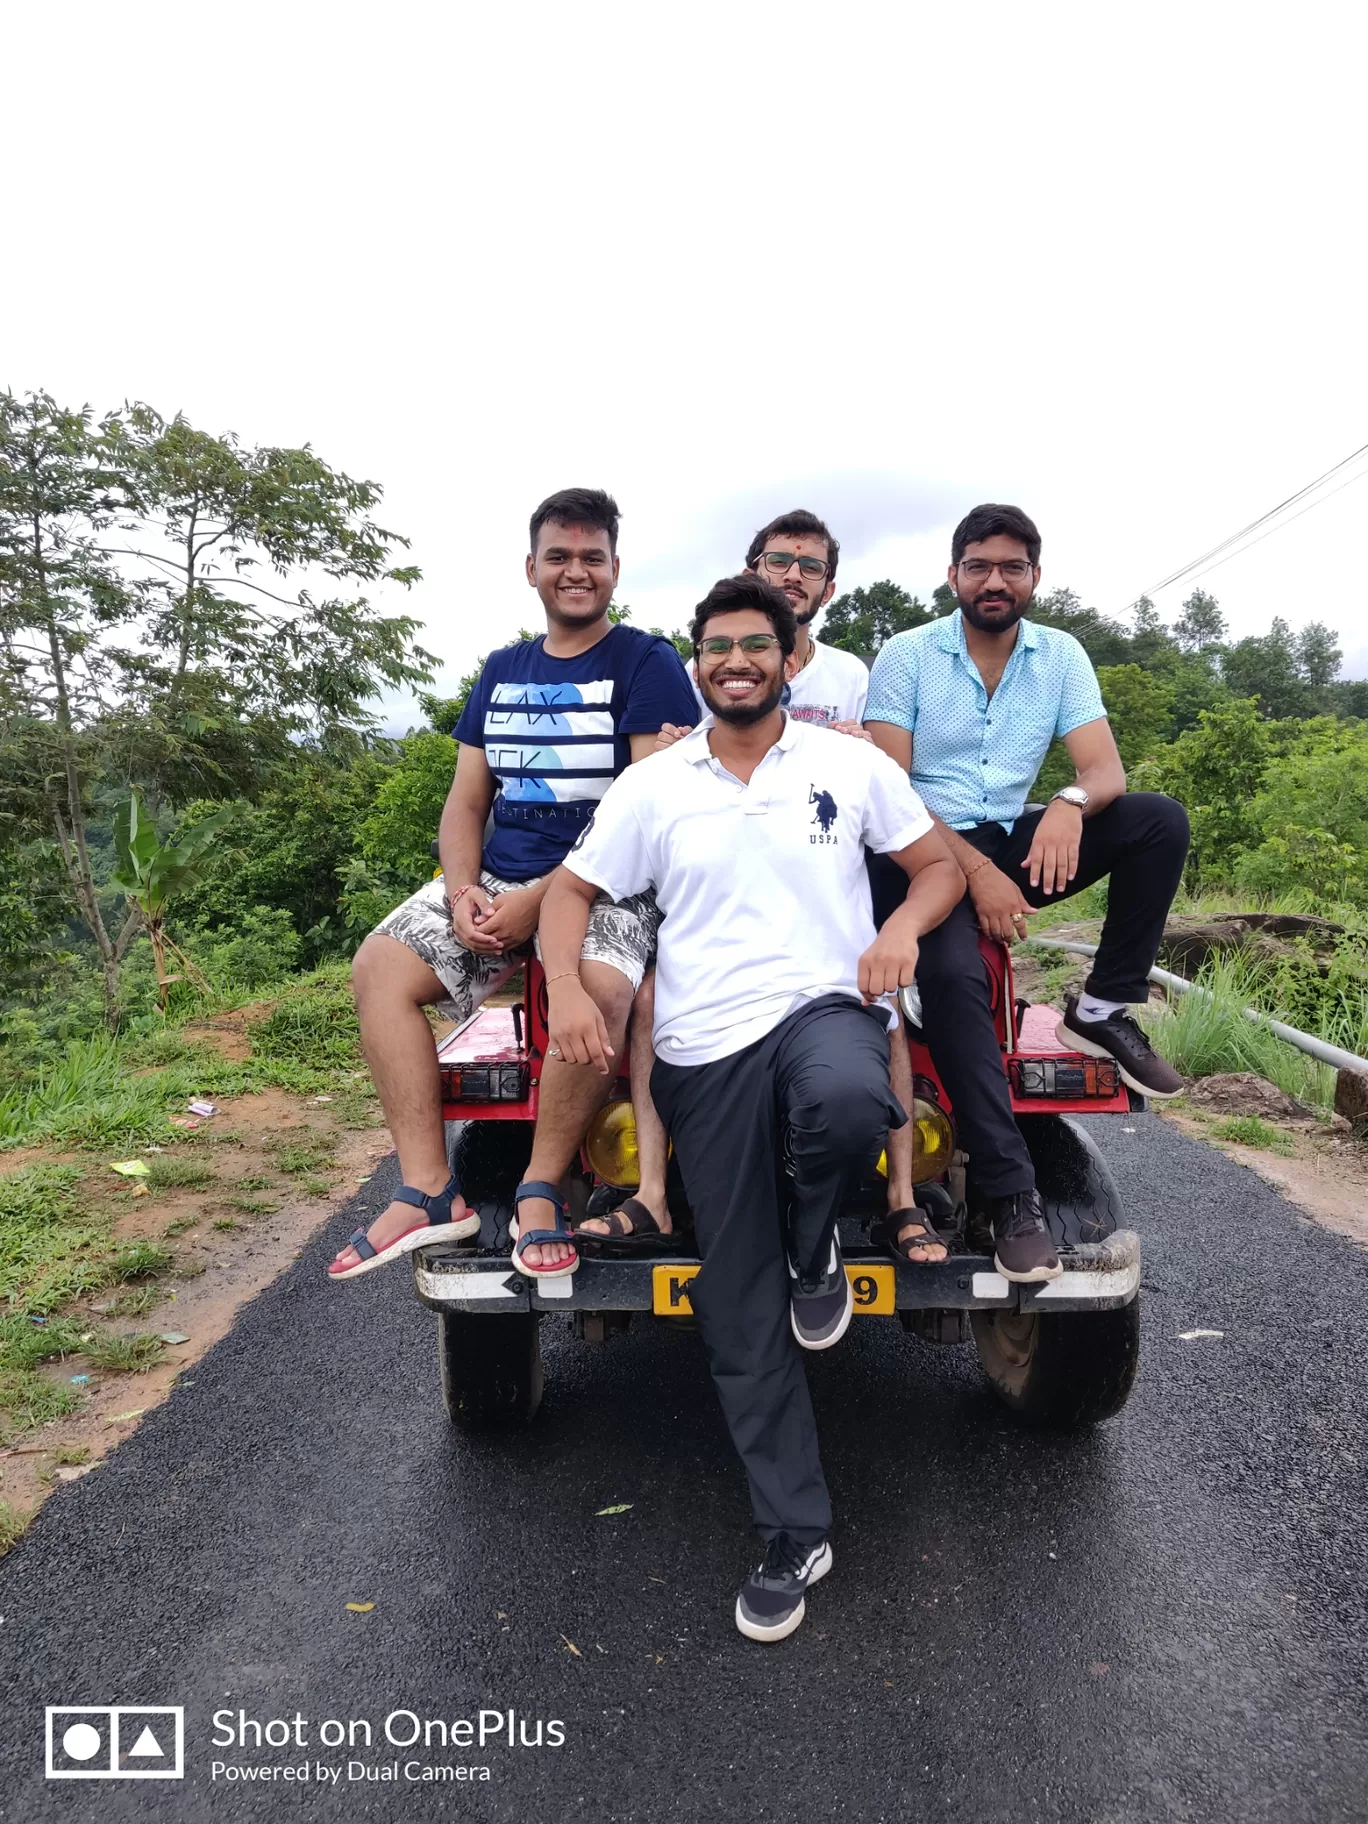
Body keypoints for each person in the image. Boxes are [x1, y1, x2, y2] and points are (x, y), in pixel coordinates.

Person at [537, 573, 963, 1641]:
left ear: (788, 659)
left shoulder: (847, 763)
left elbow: (934, 869)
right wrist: (561, 990)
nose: (737, 660)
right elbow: (573, 896)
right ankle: (794, 1531)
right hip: (699, 1047)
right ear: (699, 665)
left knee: (856, 1100)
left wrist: (903, 927)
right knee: (735, 1309)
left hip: (821, 1005)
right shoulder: (655, 785)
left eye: (756, 645)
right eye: (718, 646)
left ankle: (814, 1245)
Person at [330, 488, 697, 1281]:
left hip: (612, 884)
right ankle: (430, 1188)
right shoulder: (501, 670)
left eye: (591, 558)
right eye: (559, 556)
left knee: (598, 989)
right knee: (379, 968)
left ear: (615, 570)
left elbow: (640, 809)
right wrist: (465, 891)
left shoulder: (646, 661)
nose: (575, 571)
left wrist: (547, 897)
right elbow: (466, 802)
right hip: (500, 878)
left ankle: (540, 1184)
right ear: (531, 568)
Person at [864, 502, 1190, 1284]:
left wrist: (1071, 807)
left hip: (1011, 834)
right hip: (918, 847)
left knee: (1156, 821)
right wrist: (979, 877)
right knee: (950, 976)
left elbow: (1103, 770)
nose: (995, 580)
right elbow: (890, 790)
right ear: (953, 576)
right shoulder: (907, 654)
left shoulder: (1061, 655)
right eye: (979, 566)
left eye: (1012, 567)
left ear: (1034, 578)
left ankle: (1103, 1008)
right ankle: (1013, 1195)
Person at [658, 509, 941, 1268]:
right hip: (727, 859)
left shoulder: (849, 672)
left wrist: (861, 747)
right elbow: (689, 754)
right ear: (751, 568)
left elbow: (884, 779)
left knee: (882, 994)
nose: (792, 575)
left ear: (828, 588)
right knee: (663, 980)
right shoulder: (717, 656)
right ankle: (657, 1189)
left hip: (831, 858)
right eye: (778, 561)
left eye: (808, 566)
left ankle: (901, 1194)